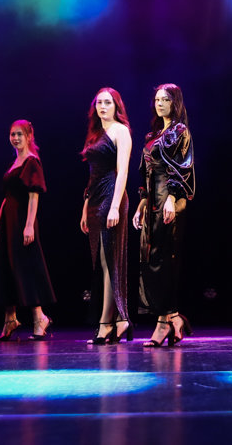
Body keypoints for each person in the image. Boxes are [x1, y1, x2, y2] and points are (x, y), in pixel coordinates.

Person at [132, 84, 196, 347]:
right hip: (152, 200)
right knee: (150, 258)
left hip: (170, 199)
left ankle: (163, 323)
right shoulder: (153, 134)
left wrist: (171, 197)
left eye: (165, 99)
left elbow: (183, 167)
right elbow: (144, 171)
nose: (160, 104)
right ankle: (174, 317)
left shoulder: (180, 131)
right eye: (157, 99)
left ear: (175, 102)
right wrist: (141, 203)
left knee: (164, 258)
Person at [0, 120, 55, 341]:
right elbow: (8, 197)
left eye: (19, 134)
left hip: (22, 220)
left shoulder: (31, 162)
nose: (15, 138)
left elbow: (34, 195)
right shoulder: (14, 163)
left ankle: (39, 317)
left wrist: (28, 225)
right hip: (8, 221)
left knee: (25, 266)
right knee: (7, 267)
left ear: (29, 136)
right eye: (12, 134)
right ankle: (10, 318)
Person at [81, 88, 133, 345]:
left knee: (109, 260)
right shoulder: (95, 133)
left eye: (108, 102)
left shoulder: (120, 131)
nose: (102, 106)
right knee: (101, 262)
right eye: (99, 102)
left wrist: (114, 207)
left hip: (112, 195)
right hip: (95, 198)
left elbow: (122, 171)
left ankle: (106, 323)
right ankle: (118, 320)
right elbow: (92, 174)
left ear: (116, 106)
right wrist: (85, 206)